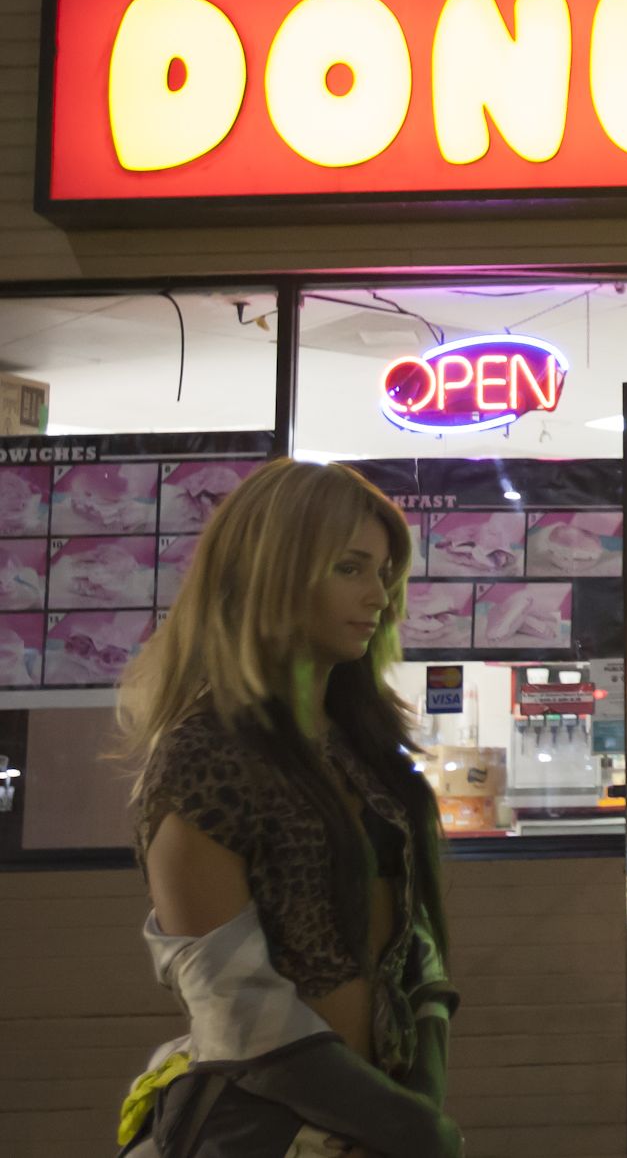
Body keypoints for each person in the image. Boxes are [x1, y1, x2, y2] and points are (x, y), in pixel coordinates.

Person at [117, 459, 461, 1157]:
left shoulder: (361, 748)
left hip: (378, 1112)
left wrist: (416, 1096)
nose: (380, 596)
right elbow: (239, 1008)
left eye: (385, 572)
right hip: (258, 1129)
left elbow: (413, 946)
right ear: (268, 571)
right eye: (349, 568)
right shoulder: (204, 756)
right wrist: (414, 1125)